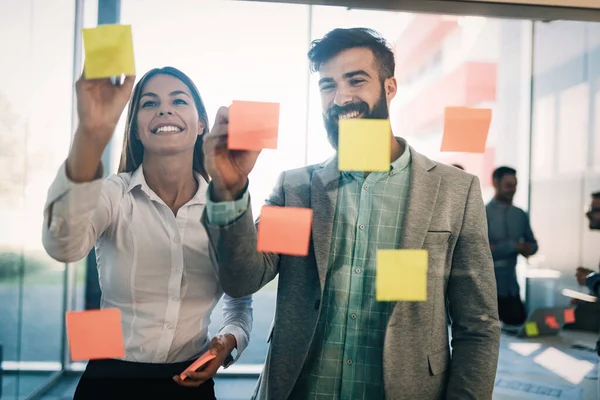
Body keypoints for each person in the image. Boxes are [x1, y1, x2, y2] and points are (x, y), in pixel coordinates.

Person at [202, 28, 499, 400]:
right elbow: (244, 278)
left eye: (355, 81)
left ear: (390, 88)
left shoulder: (453, 191)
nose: (341, 98)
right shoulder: (299, 190)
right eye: (328, 85)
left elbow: (478, 326)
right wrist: (229, 189)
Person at [42, 67, 252, 399]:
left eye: (178, 100)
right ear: (137, 130)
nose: (164, 110)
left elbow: (239, 297)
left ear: (200, 124)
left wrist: (227, 343)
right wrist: (90, 135)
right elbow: (63, 246)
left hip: (190, 383)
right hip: (110, 382)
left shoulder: (224, 207)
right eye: (149, 103)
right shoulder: (114, 194)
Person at [486, 166, 538, 326]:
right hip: (487, 289)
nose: (512, 190)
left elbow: (534, 245)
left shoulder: (520, 214)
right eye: (508, 185)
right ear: (495, 183)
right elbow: (483, 251)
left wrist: (528, 247)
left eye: (514, 185)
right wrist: (515, 246)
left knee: (521, 328)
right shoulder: (482, 212)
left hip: (512, 288)